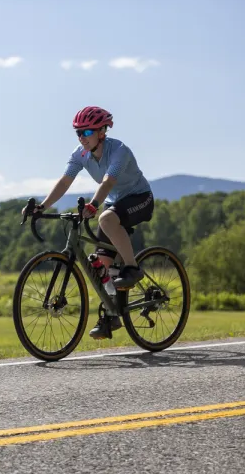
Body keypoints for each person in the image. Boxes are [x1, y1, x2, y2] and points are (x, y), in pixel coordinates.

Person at [28, 106, 154, 339]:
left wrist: (94, 205)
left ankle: (132, 268)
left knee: (106, 218)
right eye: (78, 133)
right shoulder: (80, 154)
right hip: (114, 204)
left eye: (86, 132)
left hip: (139, 199)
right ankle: (110, 316)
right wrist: (42, 207)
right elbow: (65, 181)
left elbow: (107, 182)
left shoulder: (119, 151)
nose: (81, 138)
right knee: (99, 265)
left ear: (101, 132)